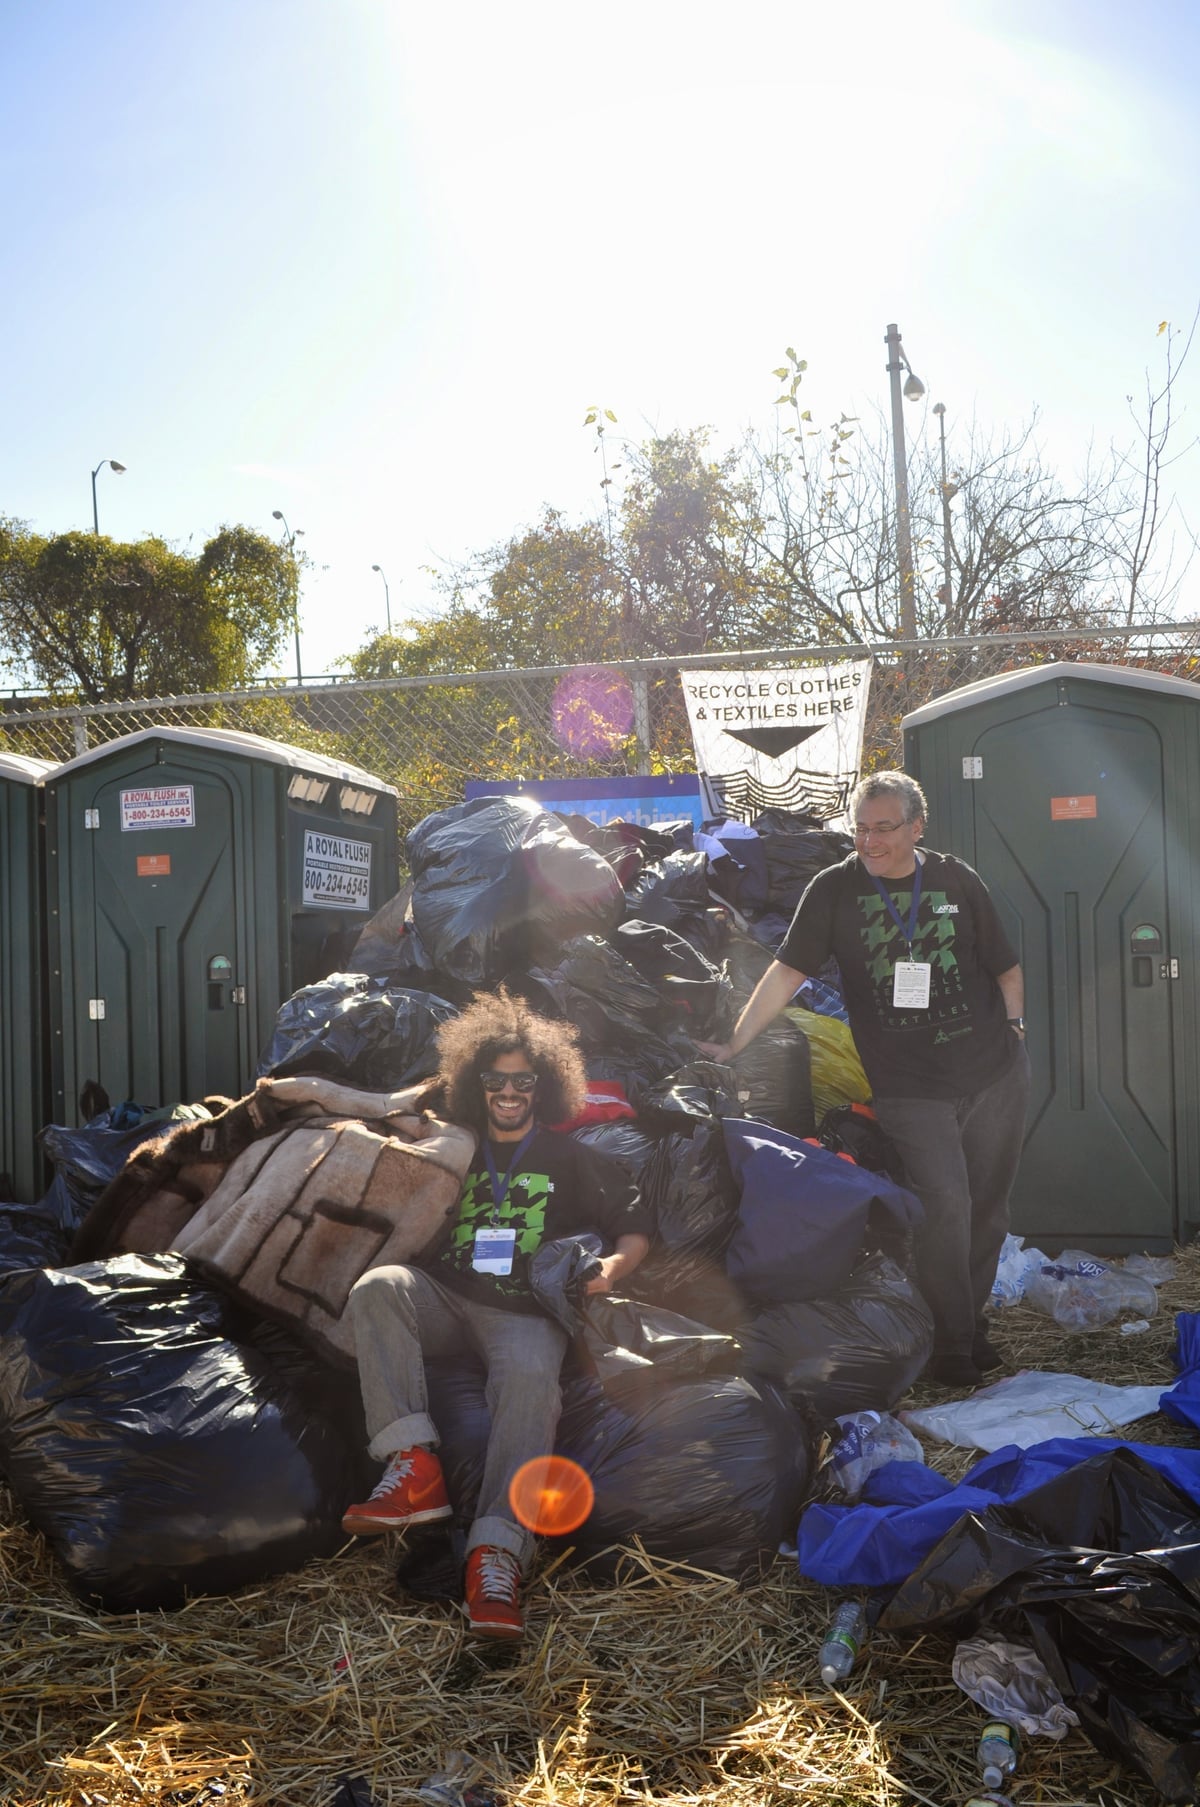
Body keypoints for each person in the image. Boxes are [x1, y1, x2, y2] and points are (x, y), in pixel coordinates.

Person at [698, 771, 1029, 1388]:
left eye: (884, 828)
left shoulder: (957, 880)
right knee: (947, 1206)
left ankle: (969, 1325)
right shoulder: (834, 889)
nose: (870, 841)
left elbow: (1005, 967)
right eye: (860, 829)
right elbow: (786, 972)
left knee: (988, 1209)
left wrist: (1014, 1030)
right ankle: (951, 1344)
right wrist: (736, 1042)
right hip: (908, 1083)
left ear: (917, 827)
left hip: (992, 1072)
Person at [340, 990, 652, 1639]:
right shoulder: (457, 1147)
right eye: (494, 1080)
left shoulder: (573, 1158)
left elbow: (634, 1226)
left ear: (543, 1086)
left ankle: (496, 1557)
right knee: (379, 1286)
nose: (508, 1091)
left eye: (522, 1081)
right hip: (447, 1294)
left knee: (532, 1380)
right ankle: (413, 1465)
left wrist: (609, 1271)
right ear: (475, 1085)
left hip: (524, 1310)